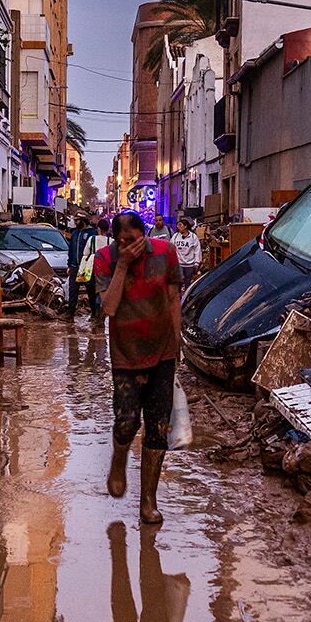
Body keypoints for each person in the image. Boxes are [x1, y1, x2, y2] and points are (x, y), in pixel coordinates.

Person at [95, 212, 181, 523]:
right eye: (121, 242)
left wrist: (178, 338)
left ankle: (148, 500)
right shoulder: (105, 259)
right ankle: (119, 459)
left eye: (131, 241)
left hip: (162, 350)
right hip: (125, 354)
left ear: (143, 236)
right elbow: (109, 307)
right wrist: (122, 265)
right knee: (127, 420)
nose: (126, 246)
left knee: (158, 427)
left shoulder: (165, 252)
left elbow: (173, 296)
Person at [66, 216, 95, 314]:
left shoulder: (91, 233)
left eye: (77, 220)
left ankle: (94, 313)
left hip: (86, 268)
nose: (75, 222)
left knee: (91, 290)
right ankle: (70, 312)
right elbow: (71, 250)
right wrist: (69, 265)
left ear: (83, 220)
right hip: (74, 266)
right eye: (75, 220)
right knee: (73, 290)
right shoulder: (74, 233)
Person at [169, 219, 201, 288]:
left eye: (180, 225)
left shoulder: (193, 237)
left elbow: (197, 250)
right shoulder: (175, 236)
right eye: (177, 225)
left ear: (185, 226)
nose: (178, 227)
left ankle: (186, 295)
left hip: (189, 264)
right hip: (179, 263)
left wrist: (197, 263)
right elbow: (170, 248)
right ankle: (178, 295)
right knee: (179, 280)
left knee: (188, 281)